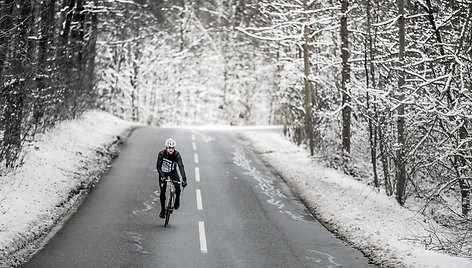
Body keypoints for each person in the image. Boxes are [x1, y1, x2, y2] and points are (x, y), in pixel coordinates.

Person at [156, 138, 188, 218]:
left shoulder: (177, 155)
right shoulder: (161, 154)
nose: (171, 149)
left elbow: (181, 166)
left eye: (172, 148)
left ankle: (177, 200)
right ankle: (163, 210)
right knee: (162, 191)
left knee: (178, 187)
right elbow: (158, 166)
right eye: (169, 148)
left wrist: (184, 179)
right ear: (166, 148)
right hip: (163, 173)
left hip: (173, 172)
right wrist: (162, 176)